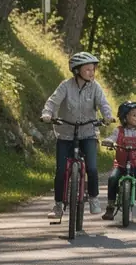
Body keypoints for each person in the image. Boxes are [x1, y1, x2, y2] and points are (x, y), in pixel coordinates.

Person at [41, 51, 114, 220]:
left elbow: (103, 104)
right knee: (61, 171)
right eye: (87, 69)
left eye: (93, 69)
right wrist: (47, 114)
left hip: (88, 133)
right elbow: (52, 102)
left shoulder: (95, 87)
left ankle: (94, 198)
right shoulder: (65, 86)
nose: (91, 72)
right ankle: (58, 205)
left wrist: (107, 116)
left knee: (92, 168)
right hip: (66, 133)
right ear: (76, 70)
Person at [103, 101, 136, 220]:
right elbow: (112, 138)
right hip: (121, 164)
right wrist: (109, 141)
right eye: (133, 115)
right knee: (112, 178)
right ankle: (110, 207)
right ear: (124, 117)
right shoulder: (119, 131)